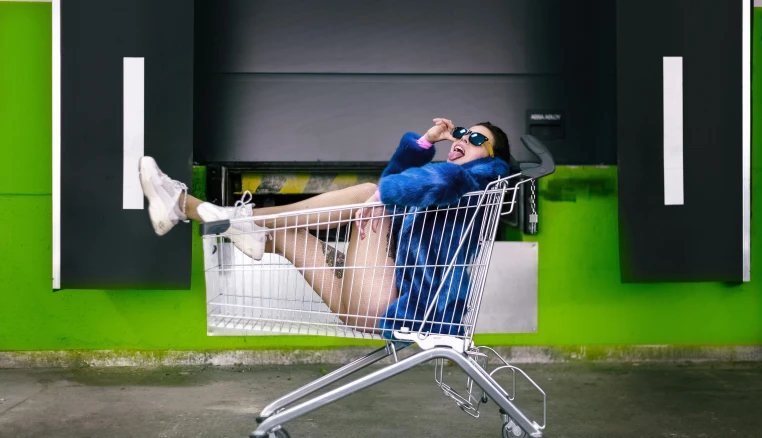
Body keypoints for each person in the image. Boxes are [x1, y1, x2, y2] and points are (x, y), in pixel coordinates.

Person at [140, 118, 510, 336]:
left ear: (491, 158)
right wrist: (424, 143)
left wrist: (381, 196)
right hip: (371, 297)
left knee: (370, 193)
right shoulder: (452, 185)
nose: (461, 138)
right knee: (288, 233)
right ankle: (206, 214)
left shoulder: (474, 183)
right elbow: (400, 181)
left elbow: (411, 185)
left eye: (476, 139)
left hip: (398, 308)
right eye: (462, 132)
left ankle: (204, 211)